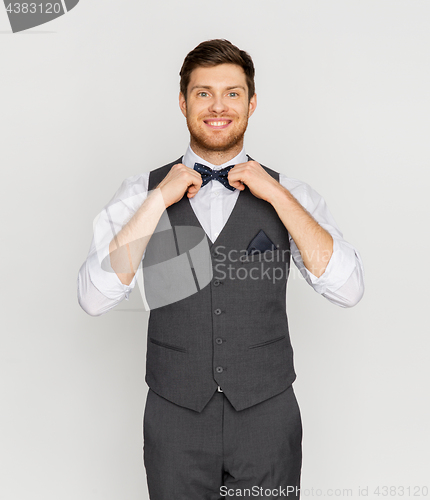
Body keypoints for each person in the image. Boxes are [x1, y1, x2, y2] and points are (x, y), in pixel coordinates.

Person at [78, 39, 364, 500]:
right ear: (183, 101)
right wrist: (157, 202)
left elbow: (348, 288)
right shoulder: (139, 192)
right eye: (203, 92)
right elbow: (94, 298)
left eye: (232, 93)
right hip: (175, 418)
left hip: (266, 417)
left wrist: (276, 196)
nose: (217, 106)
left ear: (251, 103)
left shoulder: (290, 192)